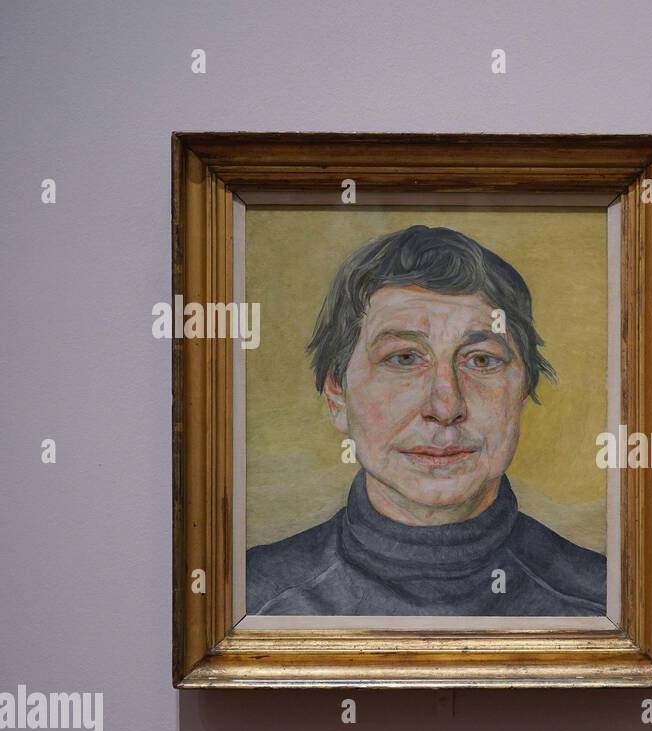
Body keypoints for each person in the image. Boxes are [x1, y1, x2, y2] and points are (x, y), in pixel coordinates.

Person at [245, 225, 606, 616]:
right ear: (338, 396)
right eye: (403, 358)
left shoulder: (604, 601)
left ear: (522, 392)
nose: (446, 405)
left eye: (482, 360)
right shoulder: (250, 599)